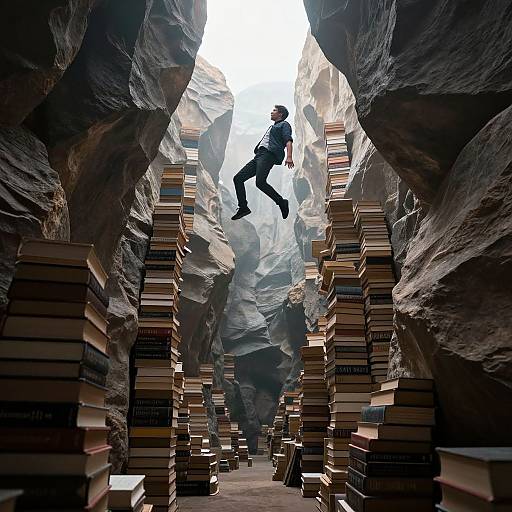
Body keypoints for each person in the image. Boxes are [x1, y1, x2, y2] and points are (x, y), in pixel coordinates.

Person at [231, 104, 294, 220]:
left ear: (281, 114)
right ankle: (243, 207)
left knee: (260, 182)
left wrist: (289, 156)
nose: (271, 112)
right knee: (238, 178)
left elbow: (288, 140)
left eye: (274, 110)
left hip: (268, 155)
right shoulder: (272, 127)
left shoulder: (284, 125)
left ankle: (281, 202)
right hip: (259, 156)